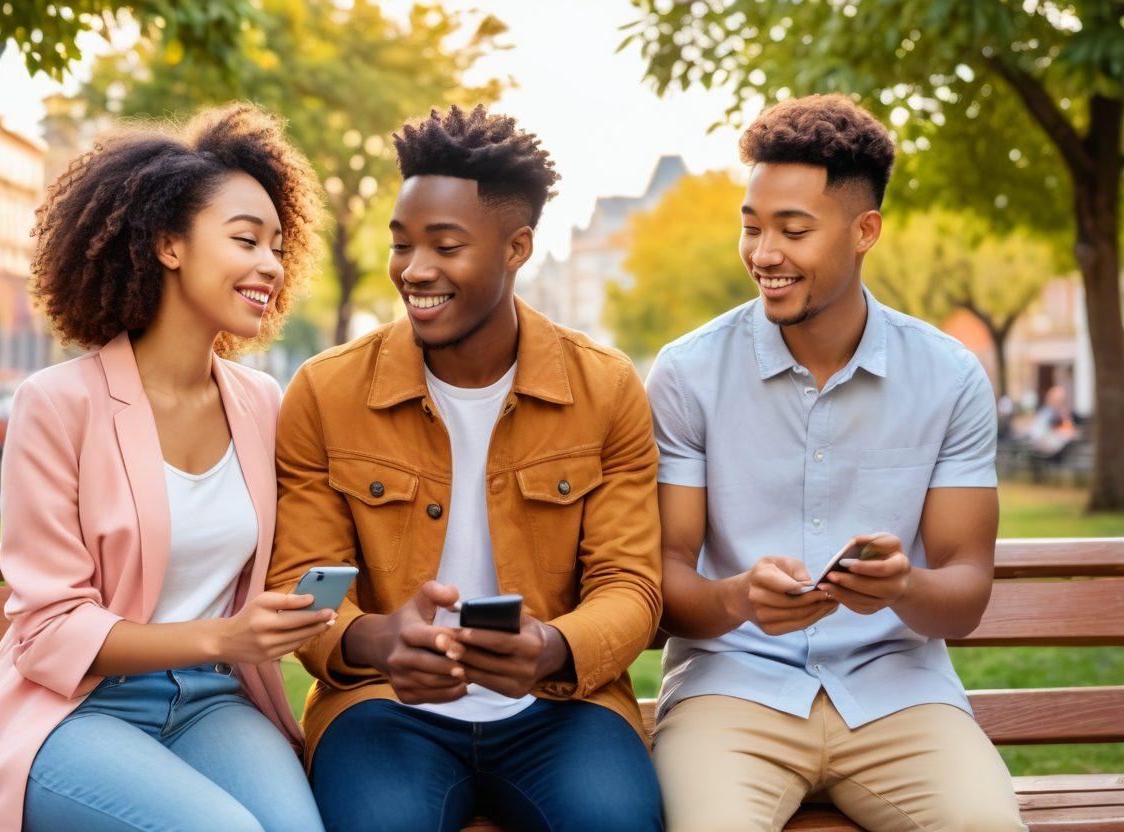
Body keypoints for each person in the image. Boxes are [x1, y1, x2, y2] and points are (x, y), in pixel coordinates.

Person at [268, 104, 664, 832]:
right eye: (402, 244)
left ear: (517, 248)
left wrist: (552, 647)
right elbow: (303, 579)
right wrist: (380, 641)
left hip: (561, 709)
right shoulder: (326, 392)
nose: (415, 271)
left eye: (446, 246)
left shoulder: (605, 389)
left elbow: (630, 583)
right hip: (384, 709)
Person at [647, 94, 1025, 832]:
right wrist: (738, 601)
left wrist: (903, 585)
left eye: (793, 230)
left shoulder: (949, 376)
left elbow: (967, 588)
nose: (763, 254)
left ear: (864, 231)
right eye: (752, 228)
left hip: (899, 693)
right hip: (732, 690)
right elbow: (663, 573)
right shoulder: (687, 373)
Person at [0, 104, 330, 832]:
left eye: (279, 246)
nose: (271, 265)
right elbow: (51, 632)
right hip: (73, 709)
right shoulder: (57, 404)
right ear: (168, 244)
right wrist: (225, 638)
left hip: (212, 702)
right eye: (246, 239)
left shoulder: (261, 404)